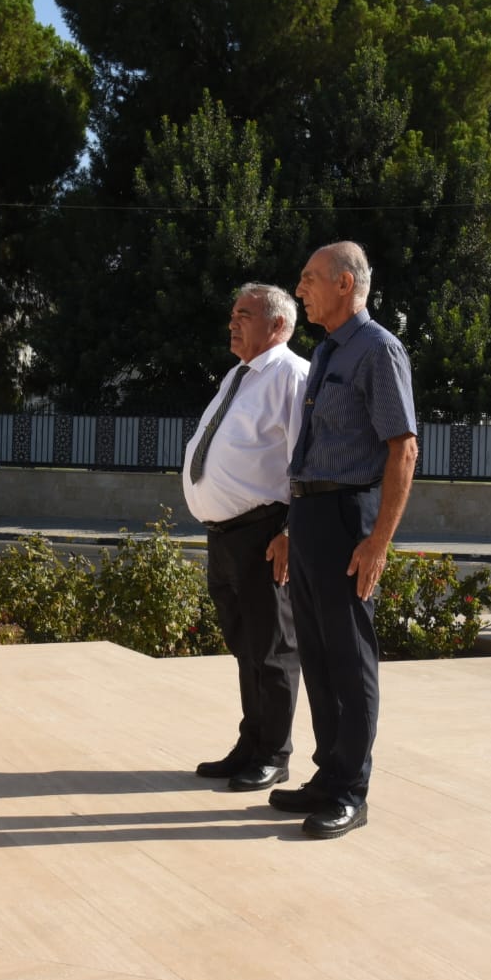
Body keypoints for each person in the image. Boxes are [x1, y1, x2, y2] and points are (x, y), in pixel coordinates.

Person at [269, 241, 416, 840]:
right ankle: (328, 776)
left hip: (348, 518)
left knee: (350, 660)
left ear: (344, 284)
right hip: (310, 516)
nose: (300, 288)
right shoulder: (329, 350)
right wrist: (290, 527)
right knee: (318, 656)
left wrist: (378, 541)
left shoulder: (378, 350)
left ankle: (352, 791)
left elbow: (403, 448)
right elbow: (312, 451)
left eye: (309, 278)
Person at [182, 284, 308, 793]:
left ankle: (274, 753)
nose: (232, 323)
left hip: (264, 532)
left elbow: (306, 459)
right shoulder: (238, 375)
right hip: (226, 536)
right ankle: (250, 743)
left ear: (277, 324)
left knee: (273, 648)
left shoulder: (291, 376)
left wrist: (291, 531)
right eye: (232, 313)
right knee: (245, 646)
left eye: (245, 314)